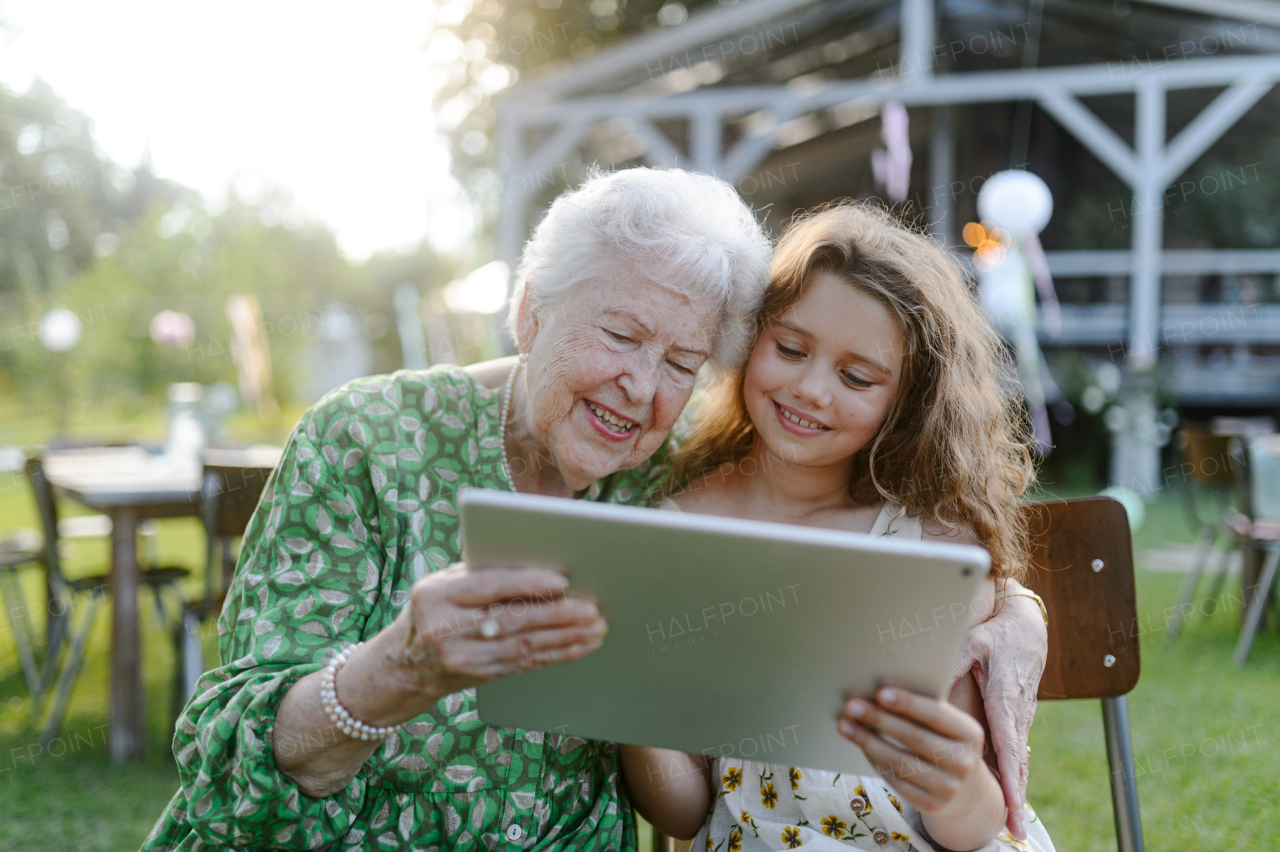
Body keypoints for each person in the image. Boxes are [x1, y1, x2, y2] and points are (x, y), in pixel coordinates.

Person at [140, 170, 1046, 852]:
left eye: (683, 360)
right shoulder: (366, 440)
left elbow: (859, 534)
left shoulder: (672, 471)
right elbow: (232, 771)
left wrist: (1016, 612)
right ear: (529, 310)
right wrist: (396, 670)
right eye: (619, 333)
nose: (642, 387)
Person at [620, 203, 1055, 851]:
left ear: (905, 401)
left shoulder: (930, 545)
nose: (811, 389)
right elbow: (683, 814)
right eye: (790, 349)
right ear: (749, 338)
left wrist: (957, 784)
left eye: (856, 377)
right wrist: (632, 698)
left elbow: (976, 826)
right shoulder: (683, 528)